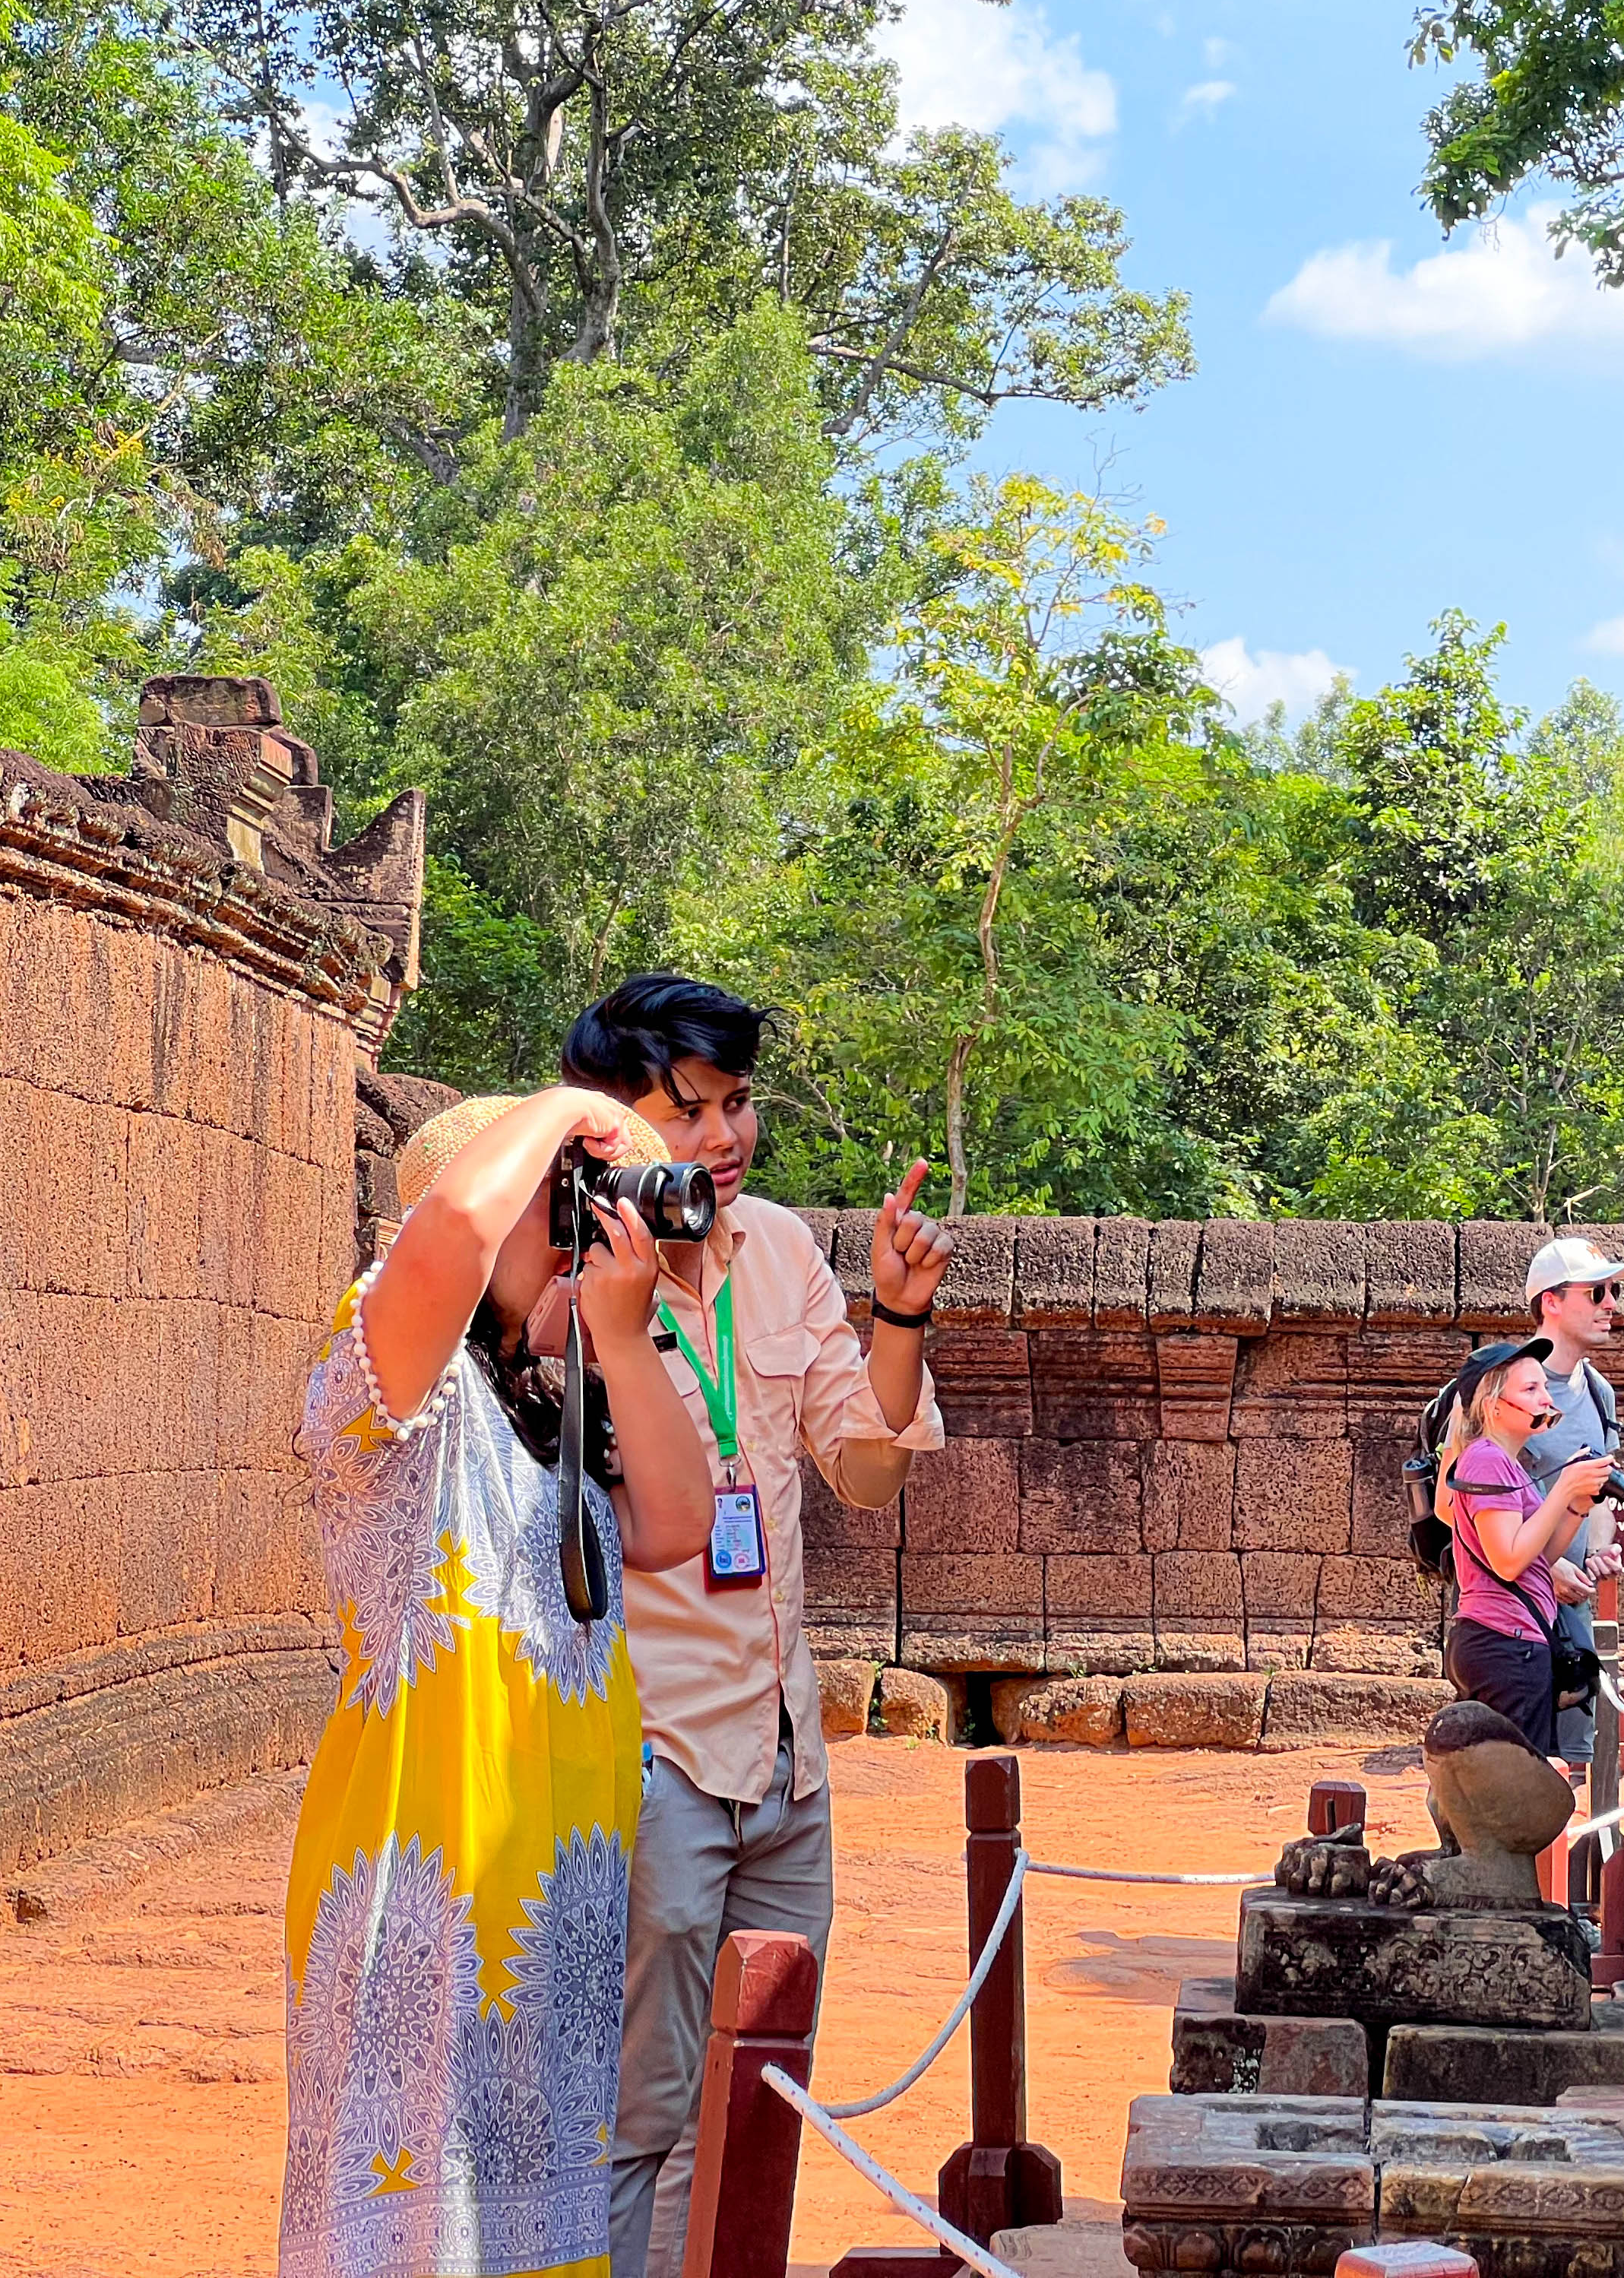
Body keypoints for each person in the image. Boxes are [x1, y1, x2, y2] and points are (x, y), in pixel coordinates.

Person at [280, 1088, 716, 2278]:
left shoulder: (553, 1420)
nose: (572, 1236)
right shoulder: (392, 1395)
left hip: (547, 1931)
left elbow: (680, 1522)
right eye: (555, 1214)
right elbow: (453, 1233)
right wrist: (575, 1105)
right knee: (415, 2230)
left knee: (534, 2234)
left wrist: (619, 1339)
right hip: (425, 1897)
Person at [563, 975, 958, 2278]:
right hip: (659, 1747)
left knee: (764, 2086)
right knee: (644, 2105)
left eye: (738, 1105)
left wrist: (896, 1312)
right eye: (692, 1108)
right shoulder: (561, 1287)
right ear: (608, 1117)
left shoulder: (780, 1249)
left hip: (788, 1755)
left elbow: (865, 1465)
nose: (724, 1137)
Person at [1436, 1337, 1610, 1756]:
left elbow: (1538, 1558)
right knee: (1515, 1784)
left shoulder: (1504, 1462)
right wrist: (1564, 1487)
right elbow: (1509, 1560)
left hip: (1514, 1640)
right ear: (1494, 1406)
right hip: (1503, 1641)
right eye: (1530, 1390)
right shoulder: (1486, 1459)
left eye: (1543, 1388)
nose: (1545, 1399)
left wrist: (1577, 1507)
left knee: (1516, 1775)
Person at [1515, 1237, 1624, 1776]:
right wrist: (1545, 1566)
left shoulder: (1599, 1391)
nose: (1612, 1304)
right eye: (1597, 1292)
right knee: (1512, 1766)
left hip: (1573, 1611)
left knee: (1573, 1765)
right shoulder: (1505, 1385)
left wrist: (1602, 1550)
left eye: (1611, 1291)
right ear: (1552, 1301)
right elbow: (1468, 1504)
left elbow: (1602, 1489)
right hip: (1512, 1612)